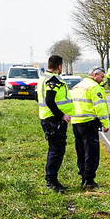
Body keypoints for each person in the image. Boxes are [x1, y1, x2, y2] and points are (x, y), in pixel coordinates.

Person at [70, 67, 110, 190]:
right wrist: (105, 123)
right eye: (101, 77)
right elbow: (100, 107)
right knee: (91, 152)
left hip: (76, 122)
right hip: (89, 122)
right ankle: (89, 180)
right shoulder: (94, 87)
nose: (102, 79)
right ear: (94, 75)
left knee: (81, 151)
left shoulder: (77, 86)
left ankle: (83, 175)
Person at [38, 54, 73, 193]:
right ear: (59, 66)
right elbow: (50, 101)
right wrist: (62, 115)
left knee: (56, 149)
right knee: (56, 150)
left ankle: (53, 180)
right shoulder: (53, 80)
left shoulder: (43, 78)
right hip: (54, 120)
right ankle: (51, 181)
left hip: (48, 118)